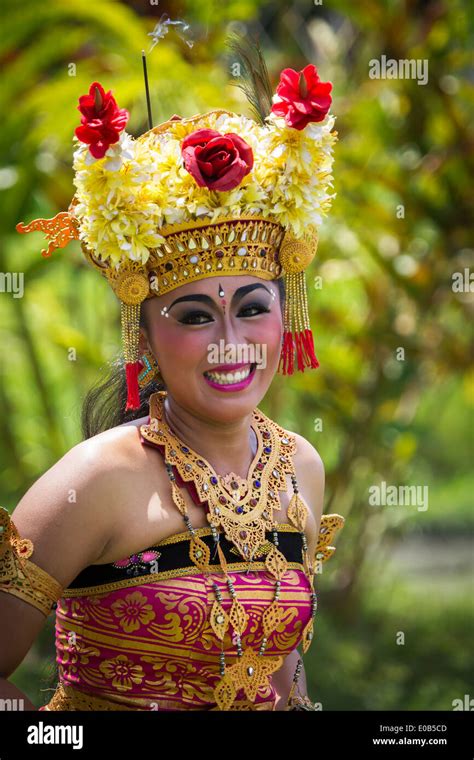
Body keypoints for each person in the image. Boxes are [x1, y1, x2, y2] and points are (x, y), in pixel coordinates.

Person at [1, 47, 344, 711]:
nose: (229, 343)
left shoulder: (301, 466)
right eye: (193, 316)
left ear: (285, 315)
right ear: (146, 336)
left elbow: (285, 681)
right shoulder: (96, 481)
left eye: (251, 309)